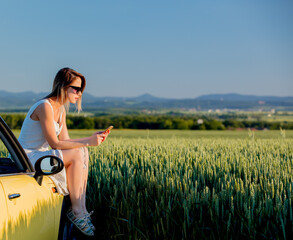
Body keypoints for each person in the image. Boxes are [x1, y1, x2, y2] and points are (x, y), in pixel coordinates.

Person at [18, 67, 108, 236]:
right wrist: (88, 141)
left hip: (40, 155)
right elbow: (55, 143)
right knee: (79, 151)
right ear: (63, 86)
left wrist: (89, 141)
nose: (79, 93)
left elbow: (66, 141)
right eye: (76, 88)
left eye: (81, 90)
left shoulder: (61, 110)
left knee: (82, 151)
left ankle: (81, 209)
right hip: (26, 156)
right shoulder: (44, 107)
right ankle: (76, 211)